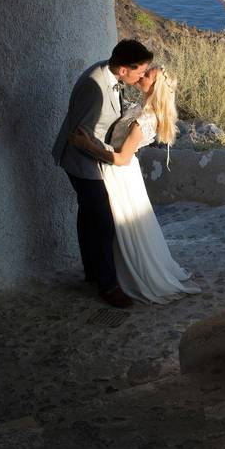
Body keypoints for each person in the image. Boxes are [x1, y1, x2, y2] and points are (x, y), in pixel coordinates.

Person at [70, 66, 202, 303]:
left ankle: (118, 277)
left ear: (155, 86)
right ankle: (99, 272)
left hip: (119, 174)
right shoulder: (142, 109)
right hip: (121, 174)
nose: (141, 76)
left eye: (146, 75)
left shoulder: (143, 121)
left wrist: (85, 144)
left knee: (115, 224)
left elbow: (122, 158)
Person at [51, 40, 153, 308]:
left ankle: (92, 272)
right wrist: (113, 158)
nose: (142, 76)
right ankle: (107, 286)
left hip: (90, 158)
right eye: (140, 71)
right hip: (82, 163)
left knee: (88, 215)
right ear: (122, 69)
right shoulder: (94, 88)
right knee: (103, 221)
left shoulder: (110, 75)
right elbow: (82, 136)